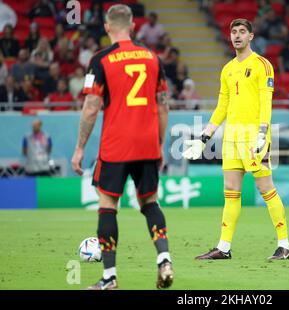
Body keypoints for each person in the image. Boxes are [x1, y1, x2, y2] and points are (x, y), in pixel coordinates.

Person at [71, 4, 173, 290]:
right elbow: (163, 107)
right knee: (150, 202)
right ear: (133, 26)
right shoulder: (152, 58)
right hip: (147, 144)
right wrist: (160, 144)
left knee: (107, 206)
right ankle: (164, 259)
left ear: (106, 27)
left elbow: (91, 107)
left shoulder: (101, 60)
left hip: (116, 145)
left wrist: (80, 148)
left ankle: (109, 277)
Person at [182, 19, 289, 260]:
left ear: (251, 36)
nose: (237, 36)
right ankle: (223, 248)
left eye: (242, 32)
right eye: (233, 32)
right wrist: (204, 138)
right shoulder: (227, 69)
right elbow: (222, 106)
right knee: (231, 191)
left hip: (254, 137)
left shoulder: (263, 65)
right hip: (231, 139)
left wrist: (263, 134)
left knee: (266, 189)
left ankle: (285, 245)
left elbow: (266, 102)